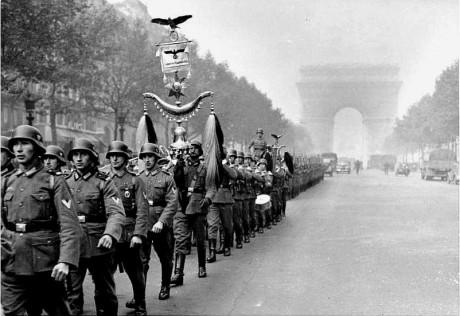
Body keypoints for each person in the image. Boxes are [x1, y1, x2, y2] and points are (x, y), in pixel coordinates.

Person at [1, 125, 81, 316]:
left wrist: (65, 261)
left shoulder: (53, 181)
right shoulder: (7, 181)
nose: (19, 149)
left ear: (36, 148)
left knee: (58, 311)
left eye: (25, 144)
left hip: (45, 264)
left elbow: (70, 224)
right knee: (10, 312)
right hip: (12, 262)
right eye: (16, 145)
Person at [65, 138, 126, 316]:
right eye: (75, 154)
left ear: (92, 158)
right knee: (72, 292)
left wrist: (110, 234)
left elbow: (116, 212)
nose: (78, 158)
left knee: (104, 291)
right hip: (73, 242)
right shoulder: (66, 181)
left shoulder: (103, 181)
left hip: (98, 243)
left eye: (83, 154)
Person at [103, 141, 149, 314]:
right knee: (105, 274)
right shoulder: (103, 179)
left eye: (118, 155)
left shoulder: (135, 180)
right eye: (112, 155)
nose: (114, 159)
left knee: (136, 272)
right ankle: (106, 308)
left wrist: (138, 234)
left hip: (128, 233)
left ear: (125, 158)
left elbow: (143, 210)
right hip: (108, 232)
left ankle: (140, 304)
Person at [170, 140, 215, 285]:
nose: (193, 151)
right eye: (191, 148)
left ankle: (201, 266)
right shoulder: (181, 166)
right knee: (181, 239)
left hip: (197, 206)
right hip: (182, 204)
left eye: (196, 148)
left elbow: (211, 187)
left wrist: (207, 199)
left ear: (200, 152)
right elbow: (174, 181)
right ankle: (178, 273)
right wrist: (177, 164)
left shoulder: (204, 169)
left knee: (200, 240)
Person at [138, 143, 177, 300]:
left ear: (156, 158)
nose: (147, 160)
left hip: (161, 224)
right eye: (145, 157)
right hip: (143, 224)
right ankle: (138, 294)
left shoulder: (166, 178)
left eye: (150, 157)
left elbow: (173, 203)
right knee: (141, 261)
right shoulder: (138, 178)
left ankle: (165, 286)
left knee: (165, 257)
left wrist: (161, 221)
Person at [206, 147, 238, 260]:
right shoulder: (210, 166)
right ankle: (212, 252)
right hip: (213, 197)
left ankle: (226, 247)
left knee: (227, 225)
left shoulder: (227, 166)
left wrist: (222, 165)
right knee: (212, 225)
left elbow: (234, 175)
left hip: (225, 198)